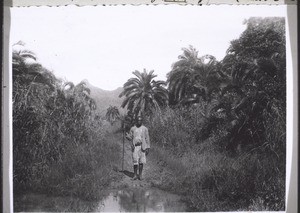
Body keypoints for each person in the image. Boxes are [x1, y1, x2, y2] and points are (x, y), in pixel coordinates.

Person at [126, 116, 150, 180]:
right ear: (136, 121)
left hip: (142, 147)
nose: (139, 121)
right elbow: (130, 137)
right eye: (138, 120)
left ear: (142, 121)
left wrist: (148, 148)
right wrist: (127, 136)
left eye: (140, 120)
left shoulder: (145, 129)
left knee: (141, 162)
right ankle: (135, 175)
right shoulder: (133, 128)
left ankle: (140, 175)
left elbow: (147, 138)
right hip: (135, 147)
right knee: (135, 161)